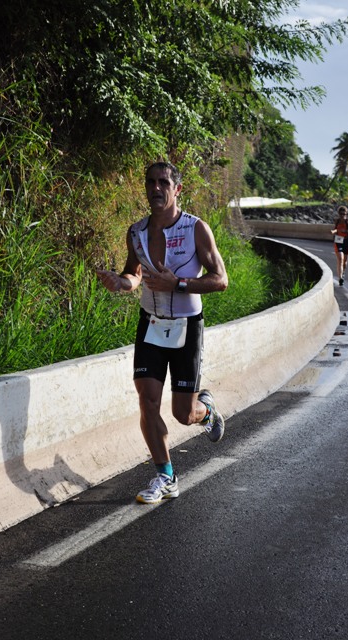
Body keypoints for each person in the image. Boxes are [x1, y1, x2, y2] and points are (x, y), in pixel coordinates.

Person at [96, 161, 228, 504]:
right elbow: (134, 274)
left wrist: (179, 284)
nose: (156, 188)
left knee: (183, 414)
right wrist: (121, 282)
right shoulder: (137, 232)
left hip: (187, 326)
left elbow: (220, 280)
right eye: (150, 182)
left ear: (177, 189)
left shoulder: (196, 229)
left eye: (163, 183)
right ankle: (166, 476)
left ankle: (206, 410)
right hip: (151, 324)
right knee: (147, 400)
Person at [330, 205, 348, 286]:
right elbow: (335, 229)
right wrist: (333, 231)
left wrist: (346, 230)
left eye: (344, 214)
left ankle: (343, 272)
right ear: (339, 214)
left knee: (344, 262)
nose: (342, 216)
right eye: (341, 214)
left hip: (346, 241)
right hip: (338, 241)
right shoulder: (337, 221)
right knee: (340, 259)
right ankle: (340, 278)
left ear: (346, 214)